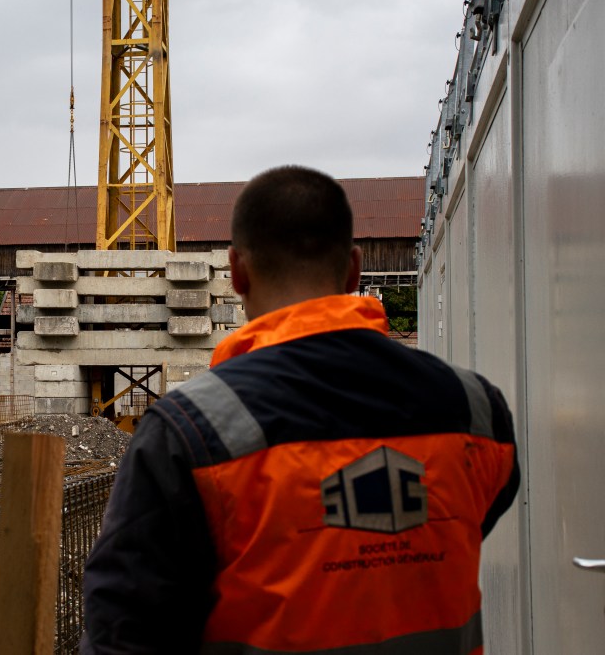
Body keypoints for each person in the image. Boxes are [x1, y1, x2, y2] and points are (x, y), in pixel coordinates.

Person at [80, 165, 520, 654]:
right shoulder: (475, 408)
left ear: (237, 271)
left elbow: (124, 633)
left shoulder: (190, 434)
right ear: (353, 268)